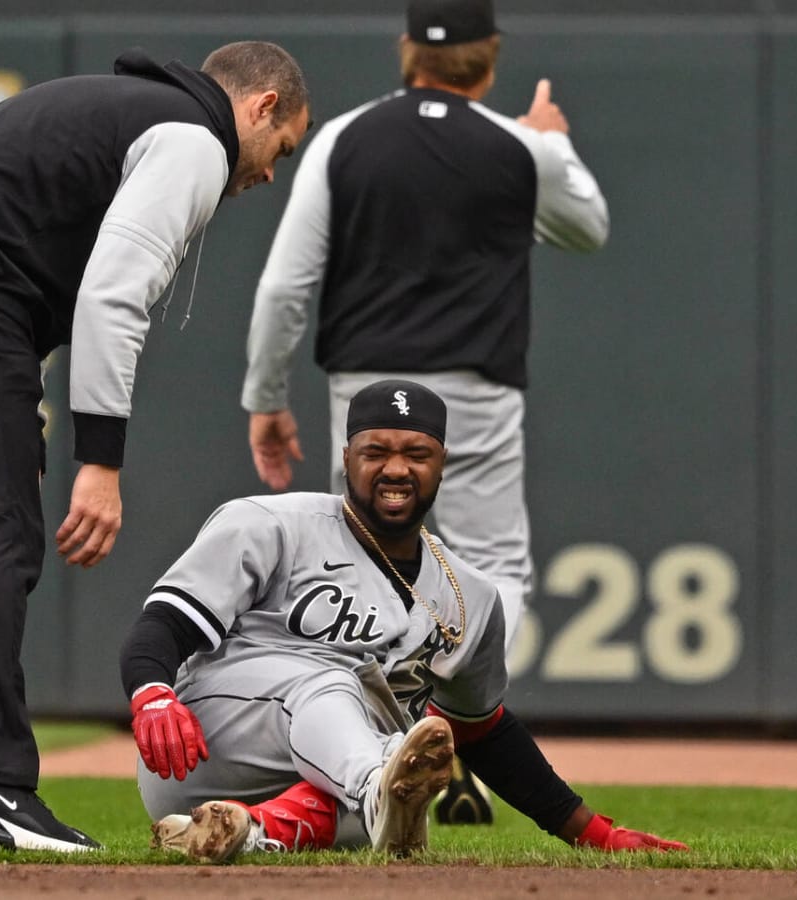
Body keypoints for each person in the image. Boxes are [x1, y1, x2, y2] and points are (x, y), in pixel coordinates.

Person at [0, 42, 311, 853]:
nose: (269, 173)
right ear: (262, 106)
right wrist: (101, 459)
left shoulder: (128, 109)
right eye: (283, 147)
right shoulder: (196, 137)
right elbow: (112, 296)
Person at [240, 0, 606, 825]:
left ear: (409, 53)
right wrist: (550, 140)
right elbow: (587, 228)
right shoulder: (516, 147)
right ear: (490, 60)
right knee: (493, 581)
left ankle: (369, 754)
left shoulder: (344, 137)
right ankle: (443, 726)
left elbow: (284, 287)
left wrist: (265, 399)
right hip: (473, 395)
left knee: (360, 575)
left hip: (366, 394)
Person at [118, 379, 686, 860]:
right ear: (346, 458)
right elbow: (165, 622)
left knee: (379, 789)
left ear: (442, 464)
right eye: (376, 452)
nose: (397, 469)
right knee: (339, 691)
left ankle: (248, 830)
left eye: (417, 454)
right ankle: (377, 788)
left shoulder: (472, 596)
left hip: (326, 770)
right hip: (206, 747)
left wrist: (593, 832)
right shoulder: (271, 523)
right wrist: (151, 693)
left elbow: (483, 730)